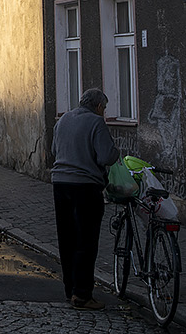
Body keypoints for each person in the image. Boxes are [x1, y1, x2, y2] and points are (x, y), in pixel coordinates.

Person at [50, 88, 121, 311]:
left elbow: (54, 150)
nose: (104, 112)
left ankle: (69, 289)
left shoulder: (63, 120)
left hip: (60, 185)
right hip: (85, 187)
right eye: (105, 108)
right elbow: (107, 156)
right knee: (86, 241)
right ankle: (82, 295)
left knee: (67, 239)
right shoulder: (96, 123)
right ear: (99, 107)